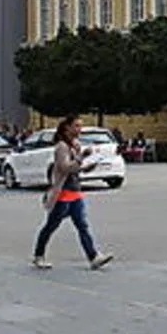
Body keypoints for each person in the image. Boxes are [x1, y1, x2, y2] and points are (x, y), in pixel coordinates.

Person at [32, 115, 114, 270]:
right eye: (76, 126)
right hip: (63, 193)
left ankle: (93, 257)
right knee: (51, 226)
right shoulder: (61, 147)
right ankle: (38, 255)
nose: (79, 130)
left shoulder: (75, 145)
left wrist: (86, 167)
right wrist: (82, 156)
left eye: (80, 126)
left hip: (75, 192)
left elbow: (75, 168)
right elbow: (65, 168)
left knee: (82, 225)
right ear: (67, 128)